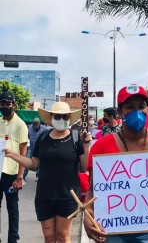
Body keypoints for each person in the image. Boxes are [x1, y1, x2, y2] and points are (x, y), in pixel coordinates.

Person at [83, 84, 148, 242]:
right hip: (111, 230)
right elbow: (93, 190)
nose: (137, 112)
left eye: (142, 106)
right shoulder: (101, 147)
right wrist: (88, 214)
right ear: (120, 112)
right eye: (130, 107)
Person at [3, 102, 92, 243]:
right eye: (58, 116)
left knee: (63, 235)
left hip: (68, 195)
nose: (61, 120)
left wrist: (86, 146)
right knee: (49, 236)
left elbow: (86, 165)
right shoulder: (43, 138)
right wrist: (14, 155)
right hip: (44, 195)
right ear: (51, 117)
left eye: (65, 117)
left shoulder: (76, 138)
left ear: (69, 118)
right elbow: (33, 165)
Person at [0, 91, 28, 243]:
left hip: (11, 174)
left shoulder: (20, 125)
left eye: (7, 104)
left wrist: (19, 177)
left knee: (12, 209)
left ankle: (13, 239)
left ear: (14, 105)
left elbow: (23, 153)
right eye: (2, 103)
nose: (5, 106)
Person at [23, 117, 48, 182]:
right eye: (34, 125)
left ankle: (38, 176)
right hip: (31, 148)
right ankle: (23, 177)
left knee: (39, 163)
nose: (35, 126)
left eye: (36, 125)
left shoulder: (44, 129)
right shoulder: (30, 127)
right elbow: (27, 135)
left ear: (39, 124)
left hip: (39, 149)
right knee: (26, 163)